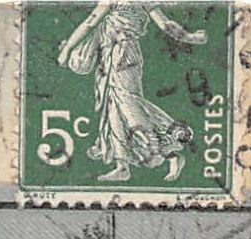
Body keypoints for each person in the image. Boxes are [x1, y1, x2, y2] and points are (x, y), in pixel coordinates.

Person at [58, 2, 206, 183]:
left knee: (129, 108)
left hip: (124, 56)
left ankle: (171, 155)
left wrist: (191, 37)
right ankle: (122, 166)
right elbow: (91, 22)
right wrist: (67, 49)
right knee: (114, 108)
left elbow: (165, 24)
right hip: (109, 56)